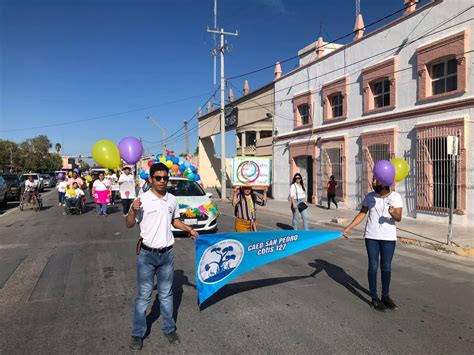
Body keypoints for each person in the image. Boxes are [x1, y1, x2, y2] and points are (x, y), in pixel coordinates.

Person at [126, 163, 199, 351]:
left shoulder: (172, 200)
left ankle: (169, 328)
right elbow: (128, 224)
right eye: (158, 178)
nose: (162, 181)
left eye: (165, 178)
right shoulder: (141, 200)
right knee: (144, 295)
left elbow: (174, 221)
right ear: (150, 179)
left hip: (167, 254)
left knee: (166, 294)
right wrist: (133, 210)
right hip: (146, 255)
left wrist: (189, 229)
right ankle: (137, 332)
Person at [343, 177, 403, 312]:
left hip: (388, 238)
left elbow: (399, 218)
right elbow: (362, 214)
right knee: (373, 266)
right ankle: (374, 297)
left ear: (385, 182)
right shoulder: (369, 197)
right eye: (373, 179)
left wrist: (393, 213)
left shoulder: (395, 197)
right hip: (371, 236)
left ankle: (385, 296)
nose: (373, 182)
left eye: (376, 180)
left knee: (386, 267)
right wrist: (349, 227)